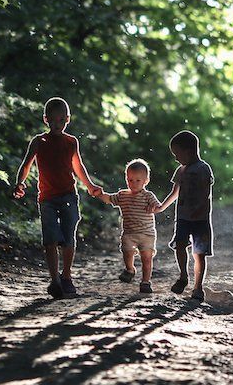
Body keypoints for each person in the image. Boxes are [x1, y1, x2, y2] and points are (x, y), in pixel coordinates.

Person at [12, 97, 102, 299]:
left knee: (68, 238)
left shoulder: (71, 142)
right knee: (50, 239)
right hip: (47, 199)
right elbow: (26, 164)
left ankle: (67, 276)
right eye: (52, 120)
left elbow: (78, 166)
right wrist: (20, 182)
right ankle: (54, 280)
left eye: (61, 120)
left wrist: (89, 186)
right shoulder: (39, 141)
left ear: (67, 119)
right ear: (45, 120)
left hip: (69, 195)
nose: (57, 124)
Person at [152, 130, 214, 302]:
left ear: (188, 151)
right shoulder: (180, 171)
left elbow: (205, 192)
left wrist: (199, 208)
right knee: (180, 245)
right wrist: (162, 207)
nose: (176, 158)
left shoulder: (203, 169)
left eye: (177, 154)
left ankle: (198, 287)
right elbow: (174, 192)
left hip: (200, 219)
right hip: (183, 218)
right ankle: (183, 276)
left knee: (199, 253)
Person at [96, 159, 161, 294]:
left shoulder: (148, 196)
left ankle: (145, 281)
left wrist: (153, 207)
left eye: (138, 180)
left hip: (147, 234)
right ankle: (130, 269)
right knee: (127, 251)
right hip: (129, 233)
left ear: (146, 181)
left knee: (146, 258)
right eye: (130, 180)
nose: (133, 183)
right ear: (126, 179)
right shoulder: (122, 195)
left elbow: (158, 206)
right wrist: (100, 195)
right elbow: (109, 199)